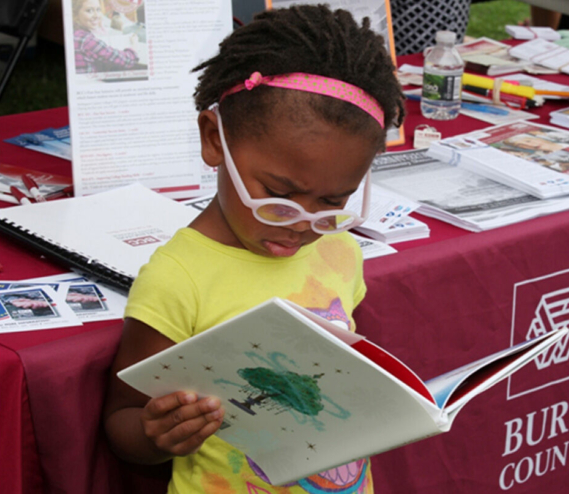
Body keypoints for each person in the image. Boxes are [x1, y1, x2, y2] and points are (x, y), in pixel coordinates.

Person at [102, 5, 405, 494]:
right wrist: (158, 434)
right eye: (279, 195)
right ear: (213, 140)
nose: (303, 225)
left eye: (333, 201)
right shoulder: (180, 276)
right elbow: (122, 418)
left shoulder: (341, 252)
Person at [72, 0, 140, 74]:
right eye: (89, 10)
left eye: (98, 10)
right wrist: (134, 46)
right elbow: (127, 61)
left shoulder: (74, 34)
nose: (96, 15)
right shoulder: (87, 40)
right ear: (75, 14)